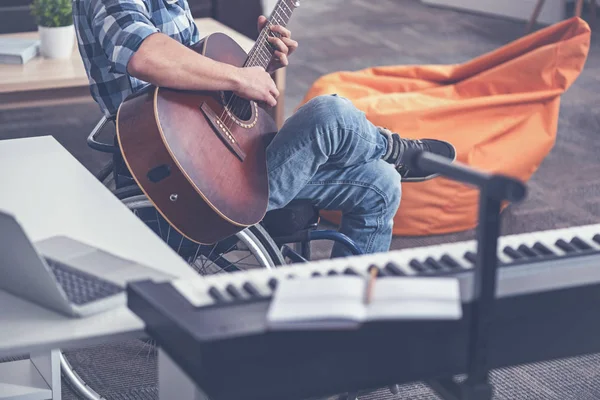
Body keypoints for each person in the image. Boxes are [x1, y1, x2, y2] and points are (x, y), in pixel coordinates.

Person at [72, 0, 456, 257]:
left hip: (221, 158)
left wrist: (260, 64)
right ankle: (394, 147)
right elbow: (143, 54)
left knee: (381, 183)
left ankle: (348, 324)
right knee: (329, 115)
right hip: (186, 183)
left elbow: (197, 92)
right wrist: (240, 78)